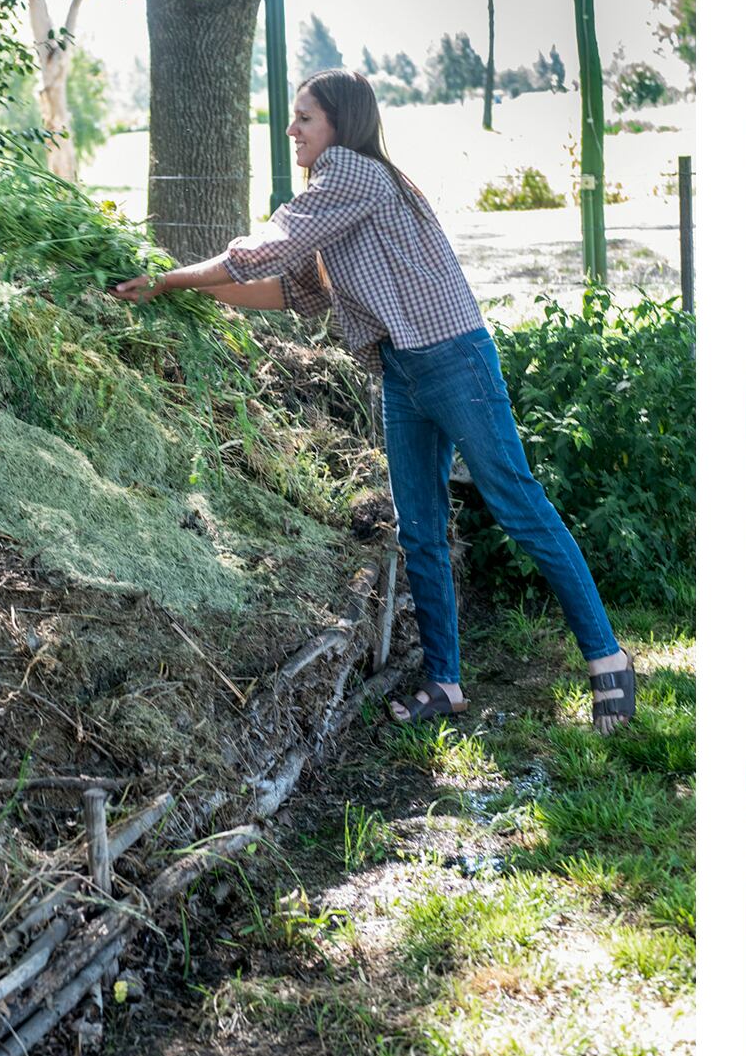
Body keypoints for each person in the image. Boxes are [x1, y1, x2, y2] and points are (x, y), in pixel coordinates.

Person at [114, 68, 637, 735]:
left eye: (304, 117)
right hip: (401, 368)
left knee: (519, 505)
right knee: (420, 528)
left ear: (341, 124)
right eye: (294, 116)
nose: (292, 128)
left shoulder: (352, 173)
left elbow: (263, 249)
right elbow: (289, 290)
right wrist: (187, 290)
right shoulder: (332, 200)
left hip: (452, 358)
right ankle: (445, 683)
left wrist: (167, 278)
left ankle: (607, 657)